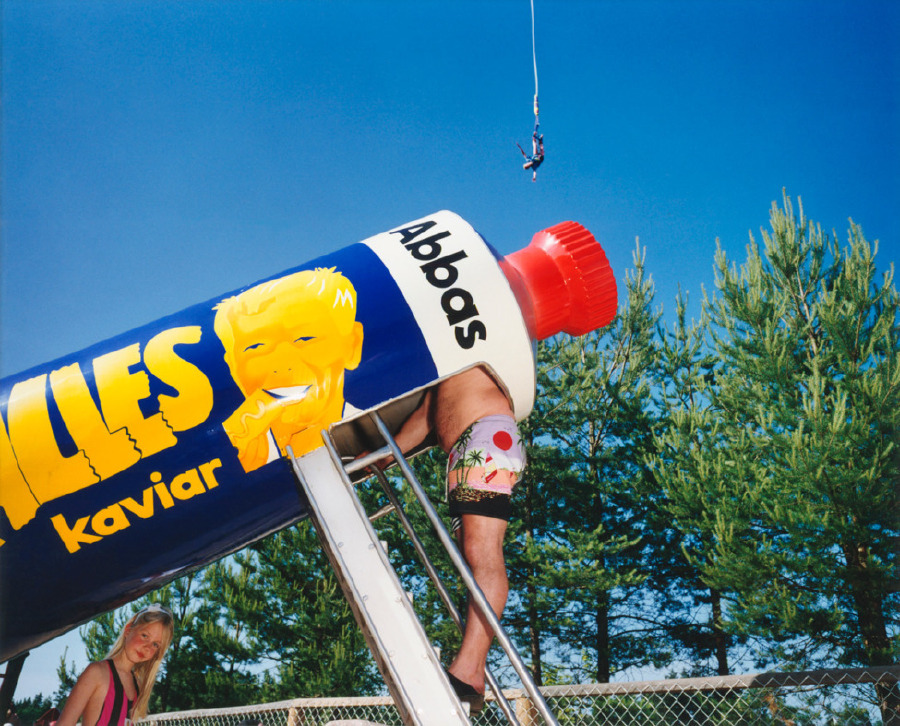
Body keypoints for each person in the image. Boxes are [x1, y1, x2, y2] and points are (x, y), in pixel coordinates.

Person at [386, 367, 526, 713]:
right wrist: (378, 457)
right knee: (474, 557)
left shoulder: (467, 350)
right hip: (469, 450)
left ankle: (469, 672)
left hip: (485, 437)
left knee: (483, 552)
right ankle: (470, 671)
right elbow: (421, 421)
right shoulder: (437, 379)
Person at [214, 267, 364, 472]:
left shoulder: (379, 434)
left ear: (352, 346)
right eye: (256, 348)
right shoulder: (225, 461)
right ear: (234, 368)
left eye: (305, 338)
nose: (282, 363)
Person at [56, 604, 174, 726]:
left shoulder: (137, 686)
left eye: (155, 644)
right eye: (144, 636)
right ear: (128, 630)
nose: (147, 647)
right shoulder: (97, 673)